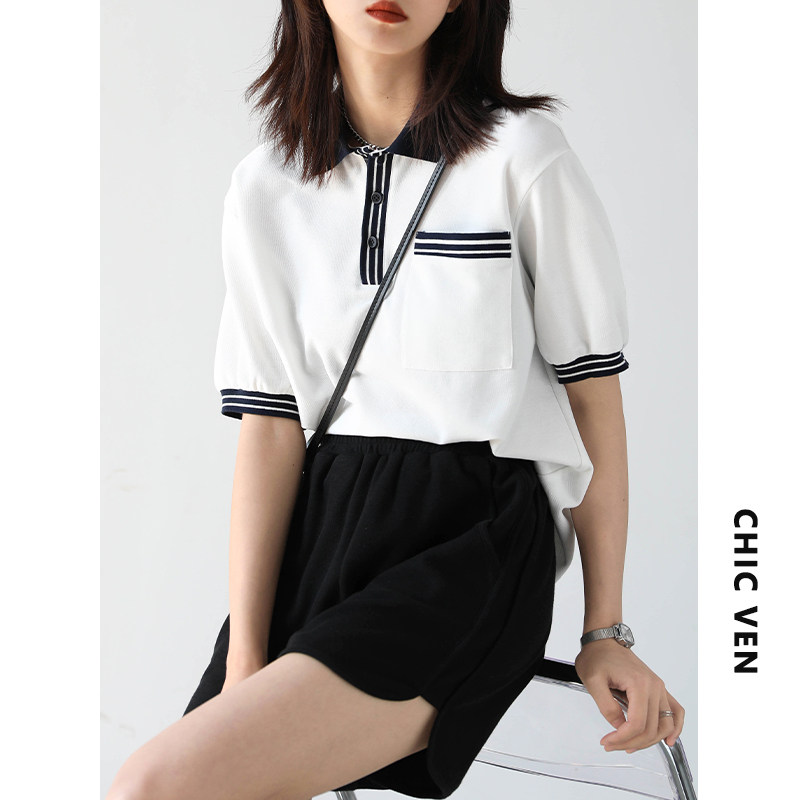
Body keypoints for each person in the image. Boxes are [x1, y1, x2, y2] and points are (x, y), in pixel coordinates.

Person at [106, 2, 686, 799]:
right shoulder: (267, 186)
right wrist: (245, 657)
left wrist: (604, 629)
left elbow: (593, 401)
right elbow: (270, 432)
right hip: (321, 529)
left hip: (470, 540)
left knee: (155, 784)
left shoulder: (522, 158)